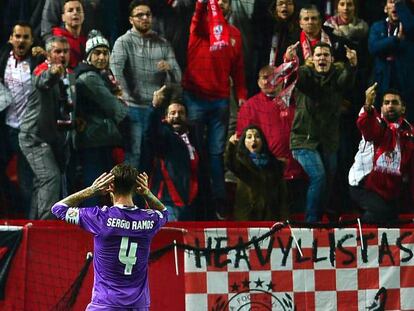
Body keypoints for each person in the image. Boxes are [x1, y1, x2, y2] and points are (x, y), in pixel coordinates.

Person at [51, 163, 168, 310]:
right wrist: (147, 194)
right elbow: (164, 212)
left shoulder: (100, 217)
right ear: (135, 188)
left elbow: (58, 208)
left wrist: (91, 191)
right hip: (138, 306)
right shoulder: (148, 219)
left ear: (110, 186)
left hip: (106, 304)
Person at [182, 0, 247, 219]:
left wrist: (241, 95)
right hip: (195, 99)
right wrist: (202, 3)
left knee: (216, 154)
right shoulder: (200, 27)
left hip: (220, 101)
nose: (221, 4)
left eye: (225, 1)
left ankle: (220, 204)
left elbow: (237, 69)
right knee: (196, 154)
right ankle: (198, 204)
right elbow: (197, 16)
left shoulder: (235, 34)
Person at [285, 41, 357, 222]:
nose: (322, 58)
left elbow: (346, 81)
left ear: (332, 59)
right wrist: (290, 61)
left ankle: (319, 216)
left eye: (326, 55)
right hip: (303, 140)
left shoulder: (337, 78)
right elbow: (298, 78)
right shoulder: (305, 74)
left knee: (328, 182)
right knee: (319, 176)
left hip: (328, 141)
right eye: (318, 55)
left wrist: (352, 65)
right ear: (312, 59)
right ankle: (311, 222)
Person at [110, 0, 181, 172]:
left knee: (154, 156)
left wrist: (169, 68)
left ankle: (152, 196)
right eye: (139, 15)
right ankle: (127, 197)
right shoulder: (123, 42)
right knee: (134, 154)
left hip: (157, 108)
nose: (144, 18)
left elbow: (178, 77)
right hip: (132, 108)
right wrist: (125, 96)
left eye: (148, 14)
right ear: (130, 19)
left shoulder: (162, 43)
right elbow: (115, 73)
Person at [236, 64, 307, 216]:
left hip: (298, 172)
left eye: (274, 77)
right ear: (258, 82)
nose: (269, 81)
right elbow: (242, 145)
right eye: (265, 78)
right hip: (268, 178)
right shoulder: (249, 107)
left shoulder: (295, 102)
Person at [19, 36, 75, 220]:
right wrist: (53, 72)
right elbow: (42, 81)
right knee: (50, 178)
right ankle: (45, 227)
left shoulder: (71, 75)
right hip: (34, 137)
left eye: (65, 51)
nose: (62, 55)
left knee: (42, 182)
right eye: (57, 51)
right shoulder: (42, 69)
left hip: (54, 138)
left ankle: (34, 226)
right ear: (49, 54)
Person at [75, 30, 128, 206]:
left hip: (101, 139)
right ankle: (90, 226)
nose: (102, 57)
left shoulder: (102, 75)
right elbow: (116, 109)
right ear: (89, 56)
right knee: (95, 186)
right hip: (93, 140)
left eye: (105, 53)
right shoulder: (89, 77)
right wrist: (122, 104)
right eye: (97, 53)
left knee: (101, 186)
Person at [349, 83, 414, 223]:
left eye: (395, 102)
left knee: (395, 219)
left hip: (389, 190)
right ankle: (357, 232)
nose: (390, 105)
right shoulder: (376, 124)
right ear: (382, 108)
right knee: (380, 216)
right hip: (363, 184)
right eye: (386, 103)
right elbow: (365, 125)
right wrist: (367, 104)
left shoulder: (410, 134)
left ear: (403, 108)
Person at [0, 22, 44, 217]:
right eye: (17, 36)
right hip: (6, 129)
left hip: (29, 131)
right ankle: (10, 211)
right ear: (11, 39)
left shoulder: (37, 62)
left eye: (26, 37)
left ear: (32, 41)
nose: (21, 40)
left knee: (27, 181)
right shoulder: (3, 59)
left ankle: (28, 223)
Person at [147, 84, 200, 221]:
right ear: (166, 117)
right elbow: (151, 134)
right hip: (167, 201)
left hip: (192, 202)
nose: (177, 116)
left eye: (181, 113)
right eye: (173, 113)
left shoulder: (195, 138)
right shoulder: (164, 135)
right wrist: (155, 108)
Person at [225, 125, 286, 221]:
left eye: (257, 136)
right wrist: (231, 146)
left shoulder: (274, 165)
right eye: (249, 137)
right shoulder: (242, 163)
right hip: (248, 217)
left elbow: (282, 196)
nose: (253, 140)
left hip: (270, 218)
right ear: (243, 142)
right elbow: (230, 163)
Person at [368, 0, 414, 122]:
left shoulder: (409, 27)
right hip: (383, 78)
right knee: (382, 118)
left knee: (407, 118)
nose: (395, 6)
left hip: (405, 78)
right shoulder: (377, 26)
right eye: (392, 2)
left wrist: (401, 6)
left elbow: (411, 27)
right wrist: (395, 39)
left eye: (398, 3)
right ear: (385, 8)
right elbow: (373, 48)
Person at [49, 0, 87, 69]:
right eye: (70, 10)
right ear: (63, 17)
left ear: (84, 16)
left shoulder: (87, 40)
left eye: (78, 10)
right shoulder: (56, 40)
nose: (75, 13)